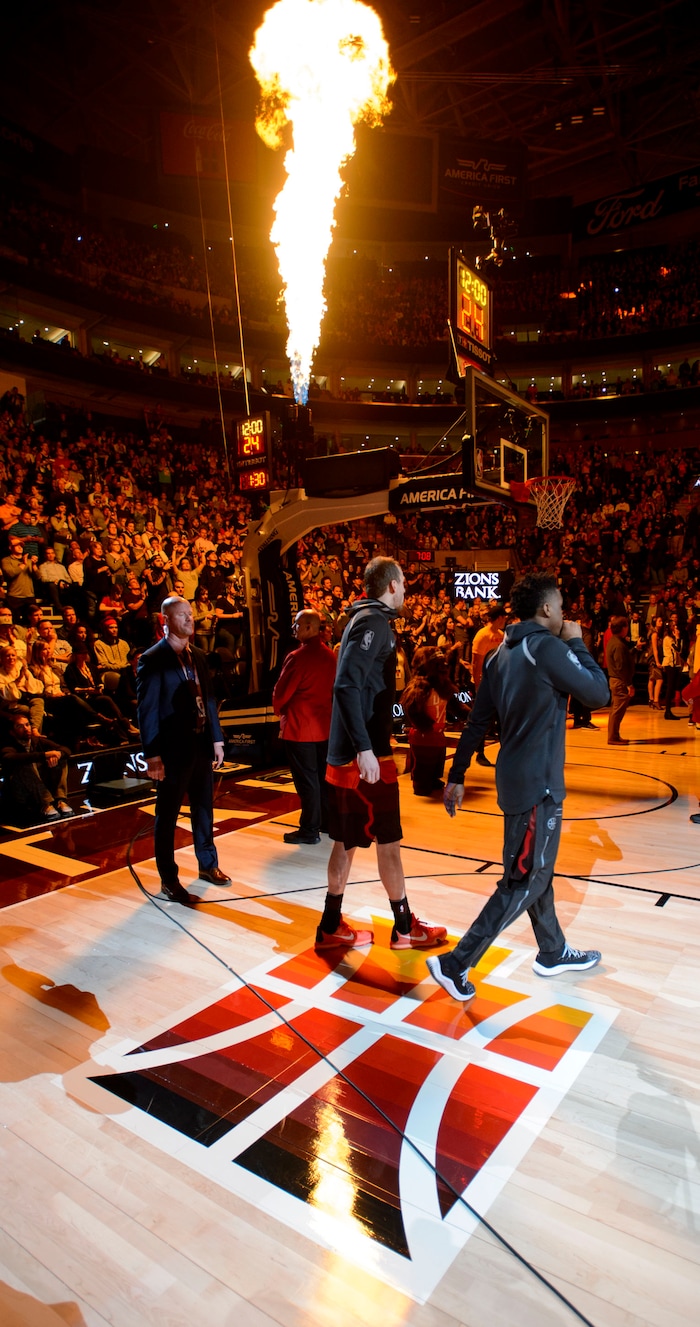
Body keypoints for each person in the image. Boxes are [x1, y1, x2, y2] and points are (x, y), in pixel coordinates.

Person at [426, 573, 610, 1003]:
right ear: (546, 610)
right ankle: (457, 963)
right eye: (561, 606)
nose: (565, 614)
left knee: (534, 871)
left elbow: (476, 722)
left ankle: (552, 951)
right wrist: (578, 642)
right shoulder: (546, 647)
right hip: (538, 786)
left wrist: (456, 775)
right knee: (524, 879)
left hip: (514, 778)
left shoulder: (497, 654)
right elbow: (599, 694)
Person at [315, 556, 447, 952]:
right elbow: (345, 686)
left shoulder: (363, 619)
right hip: (365, 758)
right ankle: (405, 928)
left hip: (352, 756)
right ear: (391, 586)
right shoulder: (373, 622)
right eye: (403, 582)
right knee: (388, 841)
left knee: (346, 842)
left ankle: (329, 925)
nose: (406, 589)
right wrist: (365, 749)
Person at [136, 595, 231, 904]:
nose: (190, 619)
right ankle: (168, 879)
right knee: (167, 816)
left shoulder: (199, 656)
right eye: (182, 615)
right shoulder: (152, 659)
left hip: (201, 744)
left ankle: (208, 865)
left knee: (204, 809)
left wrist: (217, 738)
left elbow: (210, 700)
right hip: (173, 751)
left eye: (190, 614)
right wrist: (152, 756)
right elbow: (147, 712)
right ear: (166, 621)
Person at [272, 609, 336, 844]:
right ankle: (327, 823)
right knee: (323, 779)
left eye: (297, 625)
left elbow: (281, 692)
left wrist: (278, 710)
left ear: (309, 627)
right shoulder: (330, 656)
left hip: (300, 728)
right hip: (324, 727)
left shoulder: (297, 657)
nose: (294, 629)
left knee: (306, 782)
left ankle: (309, 829)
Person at [1, 711, 73, 823]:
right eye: (19, 726)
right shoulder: (8, 744)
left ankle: (60, 800)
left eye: (27, 725)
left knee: (60, 760)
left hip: (41, 785)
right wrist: (44, 755)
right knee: (25, 763)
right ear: (12, 732)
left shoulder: (37, 741)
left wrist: (58, 755)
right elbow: (10, 757)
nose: (26, 728)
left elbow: (66, 749)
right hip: (20, 791)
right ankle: (45, 804)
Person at [605, 615, 636, 745]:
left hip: (616, 680)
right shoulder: (618, 644)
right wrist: (629, 684)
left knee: (615, 709)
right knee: (617, 711)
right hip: (619, 681)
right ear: (623, 628)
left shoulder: (614, 641)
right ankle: (613, 737)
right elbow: (621, 666)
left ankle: (615, 735)